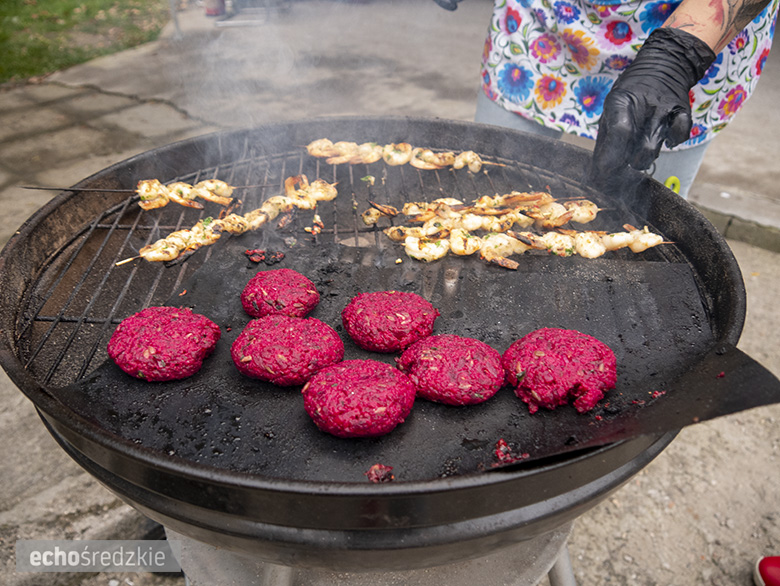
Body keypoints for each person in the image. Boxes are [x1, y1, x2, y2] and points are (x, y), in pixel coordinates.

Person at [462, 0, 778, 197]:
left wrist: (676, 59)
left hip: (693, 33)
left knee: (645, 212)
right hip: (543, 21)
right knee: (491, 187)